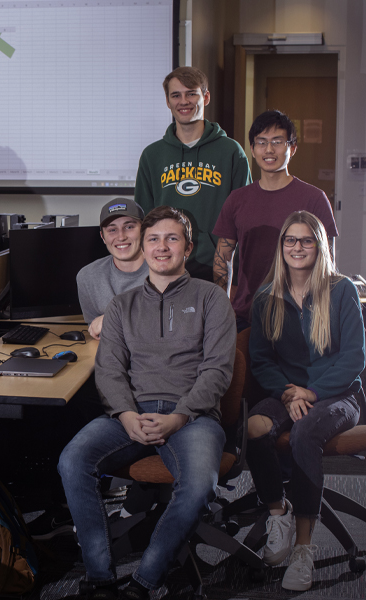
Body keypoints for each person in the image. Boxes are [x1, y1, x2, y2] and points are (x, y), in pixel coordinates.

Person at [58, 206, 235, 600]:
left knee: (198, 485)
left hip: (193, 417)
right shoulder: (122, 305)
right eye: (153, 239)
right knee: (72, 460)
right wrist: (125, 413)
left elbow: (218, 372)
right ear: (144, 244)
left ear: (187, 248)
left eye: (172, 239)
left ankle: (143, 582)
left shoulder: (211, 299)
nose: (161, 247)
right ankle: (101, 579)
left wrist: (178, 416)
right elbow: (109, 370)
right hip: (131, 414)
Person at [246, 211, 364, 592]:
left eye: (306, 240)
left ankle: (303, 547)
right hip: (287, 392)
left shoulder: (341, 289)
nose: (298, 247)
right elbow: (262, 360)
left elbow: (353, 358)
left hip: (338, 394)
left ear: (320, 245)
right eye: (290, 240)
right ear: (282, 247)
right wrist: (287, 391)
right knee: (253, 428)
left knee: (305, 433)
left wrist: (310, 393)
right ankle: (278, 511)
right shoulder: (266, 296)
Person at [213, 110, 337, 331]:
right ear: (252, 149)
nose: (268, 150)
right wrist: (222, 306)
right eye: (261, 142)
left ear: (293, 147)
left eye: (277, 142)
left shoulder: (314, 198)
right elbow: (223, 257)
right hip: (246, 316)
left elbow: (328, 261)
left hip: (301, 316)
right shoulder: (237, 199)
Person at [134, 66, 251, 281]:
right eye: (176, 95)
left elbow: (244, 218)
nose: (183, 101)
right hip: (166, 262)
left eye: (191, 94)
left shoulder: (231, 152)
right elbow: (144, 217)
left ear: (205, 97)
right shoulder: (152, 155)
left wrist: (237, 273)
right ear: (168, 102)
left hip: (215, 264)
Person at [76, 198, 148, 340]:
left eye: (129, 227)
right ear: (103, 236)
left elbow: (170, 324)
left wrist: (112, 319)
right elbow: (97, 330)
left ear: (144, 230)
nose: (121, 236)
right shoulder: (88, 276)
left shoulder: (166, 271)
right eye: (112, 230)